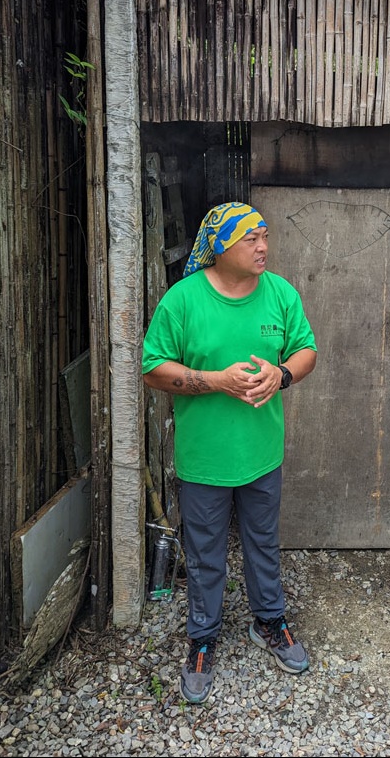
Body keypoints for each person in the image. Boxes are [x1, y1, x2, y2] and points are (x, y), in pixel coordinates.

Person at [142, 201, 317, 704]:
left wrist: (281, 375)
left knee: (263, 542)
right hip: (204, 460)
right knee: (205, 554)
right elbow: (153, 368)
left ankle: (269, 622)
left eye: (265, 235)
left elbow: (306, 350)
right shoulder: (183, 301)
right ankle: (202, 638)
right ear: (219, 247)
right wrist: (214, 381)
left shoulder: (280, 293)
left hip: (261, 454)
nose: (263, 246)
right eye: (251, 239)